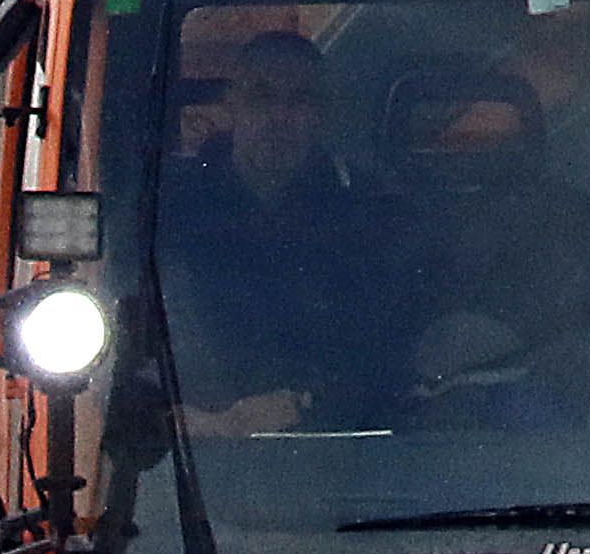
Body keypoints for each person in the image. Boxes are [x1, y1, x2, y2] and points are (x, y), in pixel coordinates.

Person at [150, 26, 418, 434]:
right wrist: (210, 424)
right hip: (190, 459)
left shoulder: (366, 216)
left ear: (323, 112)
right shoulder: (166, 214)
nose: (280, 116)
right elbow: (127, 368)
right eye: (261, 96)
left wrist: (307, 401)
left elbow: (387, 353)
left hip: (342, 446)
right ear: (231, 103)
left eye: (301, 99)